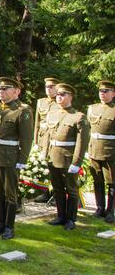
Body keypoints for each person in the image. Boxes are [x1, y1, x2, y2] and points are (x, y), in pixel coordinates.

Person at [0, 77, 33, 240]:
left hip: (10, 158)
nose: (2, 91)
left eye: (6, 89)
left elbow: (26, 139)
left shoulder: (22, 110)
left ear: (16, 92)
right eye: (0, 89)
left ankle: (9, 226)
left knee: (10, 193)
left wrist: (22, 160)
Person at [44, 83, 90, 230]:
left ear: (70, 96)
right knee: (57, 188)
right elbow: (47, 136)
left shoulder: (78, 117)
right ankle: (60, 216)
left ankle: (71, 219)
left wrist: (76, 162)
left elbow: (81, 143)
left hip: (68, 158)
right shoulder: (52, 114)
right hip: (53, 157)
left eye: (63, 94)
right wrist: (45, 155)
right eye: (58, 94)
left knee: (71, 189)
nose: (59, 97)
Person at [87, 80, 115, 223]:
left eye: (106, 91)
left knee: (111, 182)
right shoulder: (92, 108)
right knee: (97, 180)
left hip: (111, 152)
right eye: (101, 91)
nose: (102, 94)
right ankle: (99, 208)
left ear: (113, 94)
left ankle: (110, 211)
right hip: (94, 149)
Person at [33, 77, 60, 203]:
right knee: (42, 166)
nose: (48, 89)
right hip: (42, 137)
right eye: (47, 87)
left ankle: (55, 193)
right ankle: (44, 192)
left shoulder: (60, 102)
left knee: (54, 166)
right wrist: (35, 141)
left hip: (54, 139)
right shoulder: (40, 102)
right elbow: (37, 123)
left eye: (51, 87)